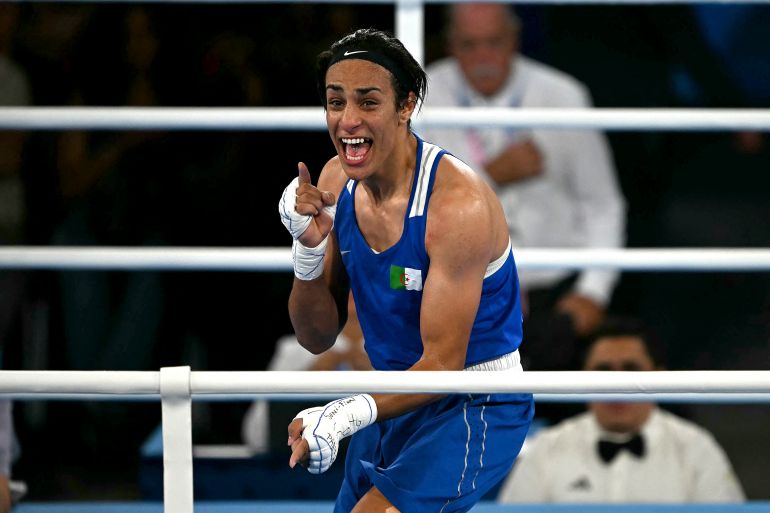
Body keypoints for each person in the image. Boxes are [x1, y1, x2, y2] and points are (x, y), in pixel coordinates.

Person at [278, 28, 533, 513]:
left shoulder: (457, 206)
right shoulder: (335, 183)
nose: (348, 121)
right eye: (336, 102)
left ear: (405, 105)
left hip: (473, 400)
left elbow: (443, 366)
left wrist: (344, 414)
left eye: (367, 102)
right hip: (394, 394)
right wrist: (306, 251)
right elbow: (315, 337)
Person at [421, 3, 626, 371]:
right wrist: (490, 176)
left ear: (515, 39)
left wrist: (593, 291)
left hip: (558, 290)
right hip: (462, 291)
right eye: (469, 44)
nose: (483, 56)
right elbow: (413, 209)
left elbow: (602, 203)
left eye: (494, 42)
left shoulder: (563, 96)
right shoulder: (422, 101)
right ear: (450, 44)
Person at [497, 317, 745, 503]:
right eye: (603, 371)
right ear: (582, 379)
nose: (617, 384)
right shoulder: (546, 448)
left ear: (660, 377)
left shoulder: (696, 449)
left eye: (631, 369)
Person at [241, 292, 371, 454]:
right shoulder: (293, 351)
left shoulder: (401, 352)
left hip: (377, 468)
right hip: (299, 470)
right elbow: (256, 436)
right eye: (347, 278)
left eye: (359, 278)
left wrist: (378, 378)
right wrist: (309, 377)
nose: (353, 290)